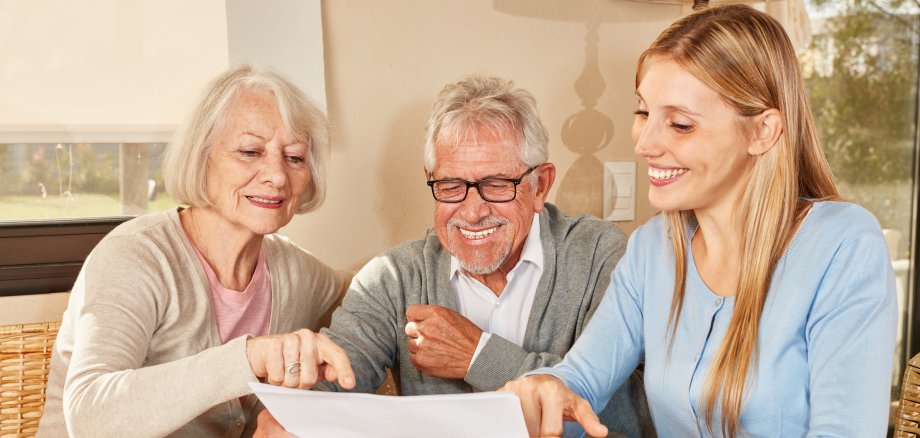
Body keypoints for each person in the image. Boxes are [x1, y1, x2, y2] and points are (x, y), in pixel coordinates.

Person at [501, 4, 898, 438]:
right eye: (643, 113)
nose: (645, 143)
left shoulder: (842, 246)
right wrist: (548, 388)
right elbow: (581, 382)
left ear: (763, 131)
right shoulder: (652, 248)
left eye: (681, 124)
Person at [256, 74, 653, 437]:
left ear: (540, 185)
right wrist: (295, 414)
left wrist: (478, 356)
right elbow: (337, 375)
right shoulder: (394, 278)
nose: (472, 210)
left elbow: (636, 412)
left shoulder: (602, 255)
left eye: (497, 184)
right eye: (451, 186)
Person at [37, 65, 355, 438]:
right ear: (200, 158)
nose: (278, 175)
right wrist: (249, 357)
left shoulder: (295, 272)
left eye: (295, 158)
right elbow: (90, 418)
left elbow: (376, 298)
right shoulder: (136, 257)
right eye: (250, 151)